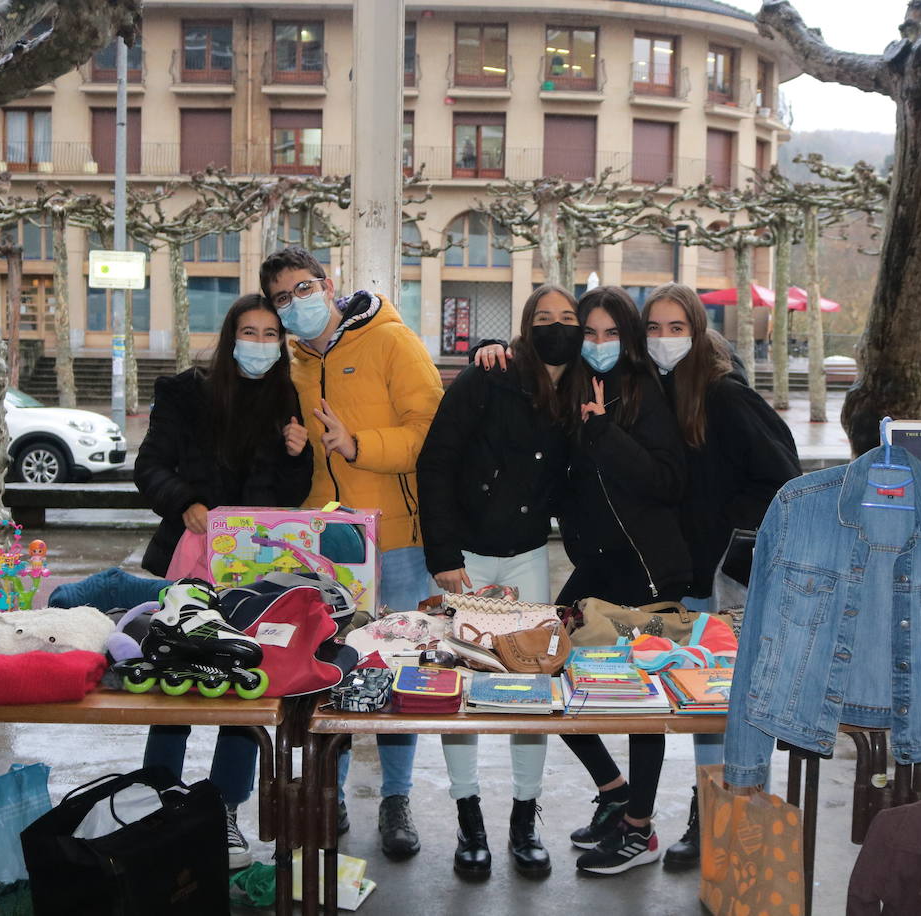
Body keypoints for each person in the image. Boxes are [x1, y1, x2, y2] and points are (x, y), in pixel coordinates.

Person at [482, 285, 691, 874]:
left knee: (643, 703)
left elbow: (667, 481)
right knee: (556, 674)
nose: (598, 344)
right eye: (589, 333)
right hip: (597, 565)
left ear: (627, 339)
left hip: (645, 569)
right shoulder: (572, 386)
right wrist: (495, 347)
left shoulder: (645, 392)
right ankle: (615, 790)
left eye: (610, 333)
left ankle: (640, 829)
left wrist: (604, 432)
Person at [260, 245, 443, 860]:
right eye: (282, 298)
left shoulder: (392, 341)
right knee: (326, 669)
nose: (296, 304)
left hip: (397, 543)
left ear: (329, 284)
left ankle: (396, 799)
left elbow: (430, 435)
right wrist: (296, 448)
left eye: (304, 289)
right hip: (325, 551)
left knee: (395, 675)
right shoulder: (292, 363)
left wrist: (358, 442)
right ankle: (330, 793)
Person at [133, 292, 313, 870]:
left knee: (244, 687)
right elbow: (149, 467)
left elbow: (290, 498)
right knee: (175, 685)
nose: (259, 345)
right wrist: (185, 500)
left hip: (257, 572)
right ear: (231, 334)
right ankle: (159, 802)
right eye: (250, 332)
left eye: (270, 335)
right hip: (190, 560)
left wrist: (296, 456)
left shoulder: (288, 397)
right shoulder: (184, 392)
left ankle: (223, 810)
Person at [416, 284, 582, 879]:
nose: (556, 327)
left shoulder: (584, 388)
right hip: (465, 557)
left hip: (529, 556)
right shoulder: (490, 374)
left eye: (568, 318)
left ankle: (522, 817)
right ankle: (469, 817)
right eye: (544, 317)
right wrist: (441, 555)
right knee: (459, 688)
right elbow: (434, 462)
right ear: (524, 326)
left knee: (532, 691)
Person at [641, 282, 802, 869]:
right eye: (653, 329)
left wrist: (723, 527)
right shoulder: (652, 390)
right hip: (671, 574)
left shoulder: (724, 395)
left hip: (714, 577)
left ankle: (711, 818)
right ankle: (691, 815)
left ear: (698, 330)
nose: (664, 340)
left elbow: (783, 477)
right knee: (677, 699)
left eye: (675, 328)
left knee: (714, 707)